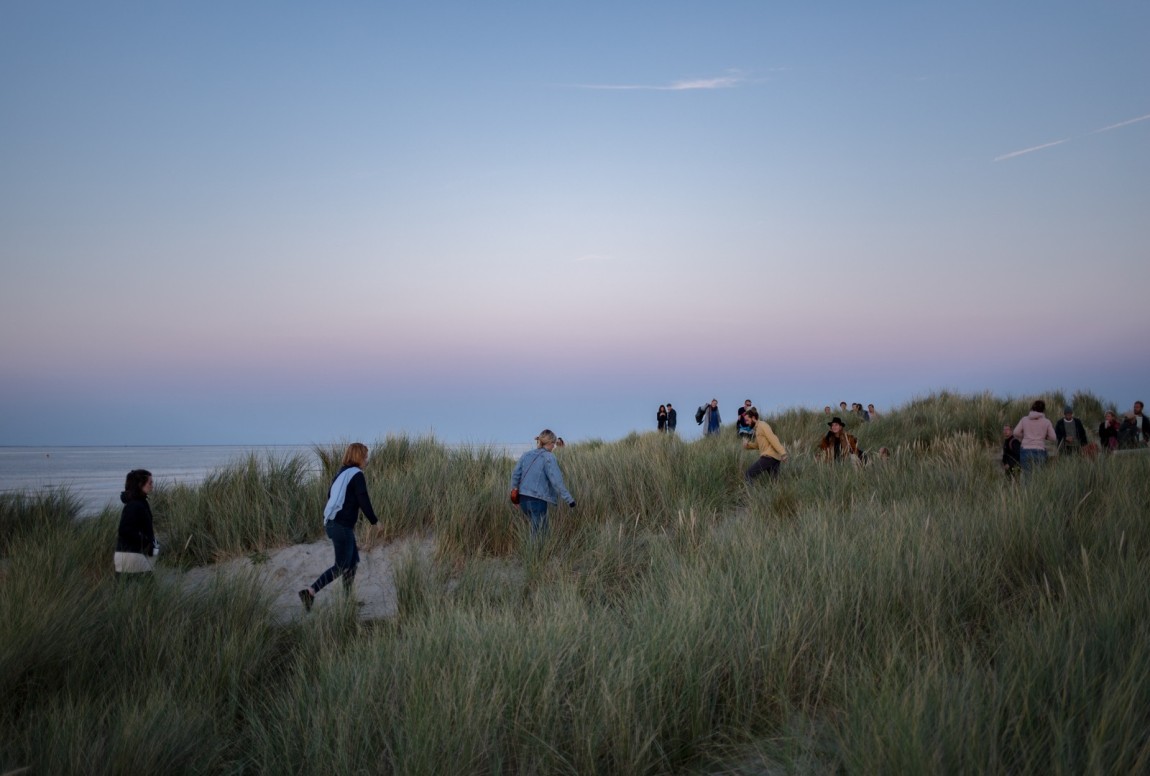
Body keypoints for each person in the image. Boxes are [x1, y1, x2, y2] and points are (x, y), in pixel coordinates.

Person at [299, 442, 379, 612]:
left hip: (333, 523)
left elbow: (330, 495)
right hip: (340, 524)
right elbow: (363, 499)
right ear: (358, 457)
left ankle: (347, 602)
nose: (367, 459)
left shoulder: (340, 474)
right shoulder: (357, 474)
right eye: (365, 456)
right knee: (342, 565)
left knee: (352, 562)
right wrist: (375, 521)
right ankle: (310, 591)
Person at [509, 429, 575, 539]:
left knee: (542, 530)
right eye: (553, 444)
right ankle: (534, 556)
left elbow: (515, 474)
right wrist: (569, 500)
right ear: (549, 443)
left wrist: (514, 497)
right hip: (537, 500)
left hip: (523, 500)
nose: (554, 447)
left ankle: (542, 555)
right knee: (538, 534)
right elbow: (557, 481)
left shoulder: (526, 455)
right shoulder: (549, 457)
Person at [115, 469, 158, 578]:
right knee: (148, 591)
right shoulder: (134, 505)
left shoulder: (140, 502)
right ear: (140, 484)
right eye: (150, 482)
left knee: (129, 592)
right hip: (131, 556)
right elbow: (124, 529)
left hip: (131, 555)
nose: (152, 485)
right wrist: (146, 540)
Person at [742, 408, 787, 481]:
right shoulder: (757, 429)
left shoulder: (762, 425)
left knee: (748, 474)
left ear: (753, 418)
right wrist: (747, 445)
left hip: (768, 457)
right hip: (774, 458)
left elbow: (772, 438)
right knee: (774, 483)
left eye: (747, 420)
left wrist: (783, 453)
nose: (746, 423)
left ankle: (750, 492)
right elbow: (757, 445)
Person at [1012, 400, 1057, 474]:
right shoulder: (1046, 421)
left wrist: (1025, 435)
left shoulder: (1024, 419)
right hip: (1040, 450)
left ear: (1032, 408)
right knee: (1039, 477)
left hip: (1026, 450)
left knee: (1027, 476)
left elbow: (1015, 432)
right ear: (1043, 409)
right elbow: (1053, 438)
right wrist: (1044, 437)